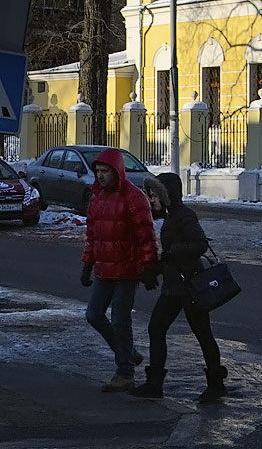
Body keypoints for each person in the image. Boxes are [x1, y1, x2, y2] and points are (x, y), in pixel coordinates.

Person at [132, 171, 227, 403]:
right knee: (157, 329)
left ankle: (216, 384)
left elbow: (200, 244)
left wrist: (174, 252)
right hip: (176, 287)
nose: (151, 199)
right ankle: (155, 384)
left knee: (202, 334)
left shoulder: (184, 215)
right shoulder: (171, 216)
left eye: (155, 194)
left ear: (168, 194)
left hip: (190, 286)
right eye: (150, 194)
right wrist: (153, 271)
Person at [81, 147, 159, 392]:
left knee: (119, 320)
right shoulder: (97, 198)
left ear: (117, 172)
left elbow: (146, 235)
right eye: (98, 171)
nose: (101, 176)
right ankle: (127, 352)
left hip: (128, 269)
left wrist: (149, 267)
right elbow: (92, 236)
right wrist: (87, 264)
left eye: (105, 171)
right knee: (94, 314)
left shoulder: (134, 198)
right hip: (105, 269)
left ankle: (125, 373)